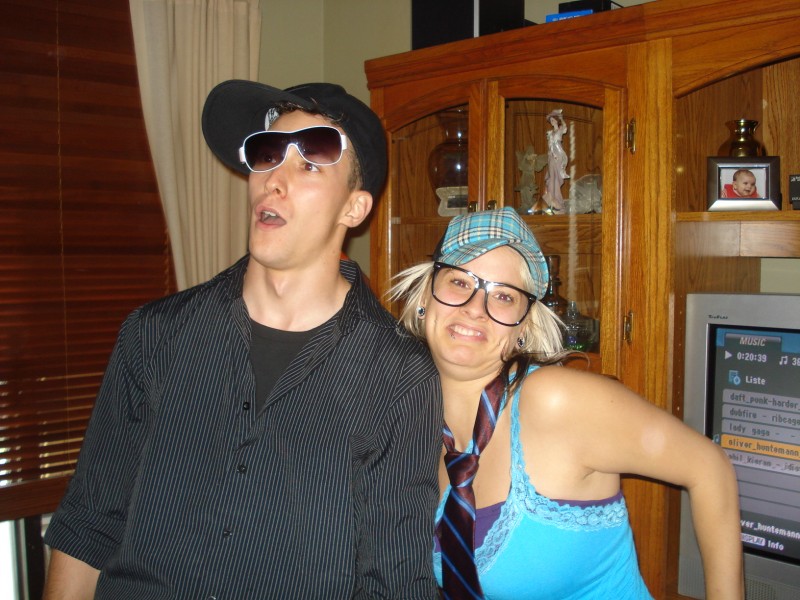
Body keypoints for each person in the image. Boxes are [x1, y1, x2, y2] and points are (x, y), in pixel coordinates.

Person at [42, 80, 443, 599]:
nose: (273, 179)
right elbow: (88, 523)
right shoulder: (155, 335)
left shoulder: (398, 375)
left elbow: (395, 580)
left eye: (309, 165)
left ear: (354, 208)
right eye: (267, 156)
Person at [391, 207, 743, 600]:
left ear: (523, 327)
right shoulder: (411, 416)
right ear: (426, 297)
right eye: (460, 282)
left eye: (503, 296)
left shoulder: (554, 401)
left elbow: (709, 467)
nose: (475, 307)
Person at [542, 109, 569, 212]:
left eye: (553, 120)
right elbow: (550, 145)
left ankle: (556, 198)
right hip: (551, 155)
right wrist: (551, 154)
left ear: (557, 121)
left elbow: (565, 127)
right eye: (551, 121)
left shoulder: (560, 130)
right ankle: (551, 197)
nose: (552, 122)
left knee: (556, 177)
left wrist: (561, 117)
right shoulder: (550, 133)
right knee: (551, 176)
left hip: (558, 154)